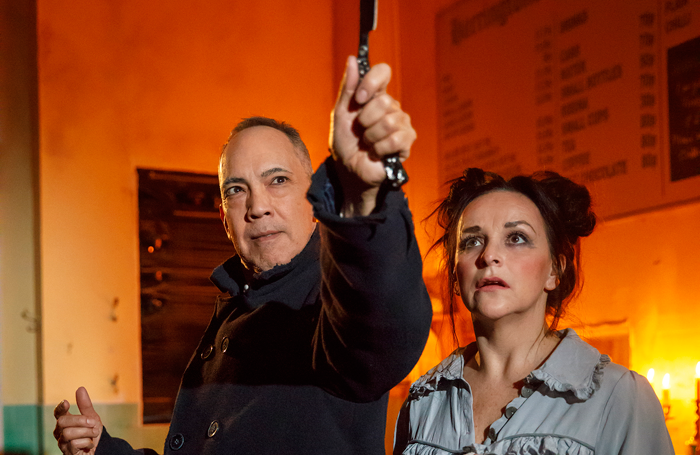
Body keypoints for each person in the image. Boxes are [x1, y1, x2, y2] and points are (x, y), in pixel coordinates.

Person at [53, 56, 433, 455]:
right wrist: (103, 449)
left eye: (278, 181)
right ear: (224, 218)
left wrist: (364, 197)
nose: (258, 206)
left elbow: (384, 323)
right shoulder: (232, 309)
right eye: (237, 189)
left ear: (315, 197)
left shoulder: (335, 299)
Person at [394, 168, 674, 455]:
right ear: (455, 276)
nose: (489, 255)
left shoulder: (620, 398)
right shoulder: (424, 399)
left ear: (555, 270)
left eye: (516, 237)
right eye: (472, 241)